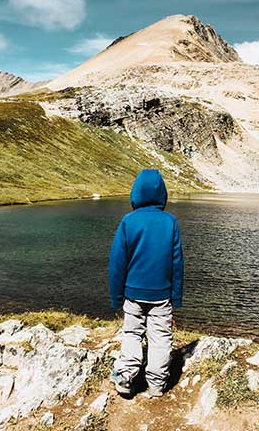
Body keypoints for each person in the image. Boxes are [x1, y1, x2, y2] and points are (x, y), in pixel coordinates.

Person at [108, 168, 184, 398]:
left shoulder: (128, 221)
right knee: (160, 338)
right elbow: (177, 262)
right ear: (162, 193)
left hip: (133, 294)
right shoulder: (170, 221)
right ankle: (157, 385)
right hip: (162, 295)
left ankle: (126, 377)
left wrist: (116, 295)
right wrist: (176, 295)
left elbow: (117, 262)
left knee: (132, 333)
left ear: (136, 192)